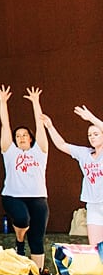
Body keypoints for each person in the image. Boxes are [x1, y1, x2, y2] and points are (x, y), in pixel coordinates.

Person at [0, 85, 50, 275]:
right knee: (22, 219)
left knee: (37, 240)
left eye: (24, 135)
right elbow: (4, 124)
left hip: (38, 198)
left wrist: (35, 102)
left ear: (31, 138)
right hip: (12, 196)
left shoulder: (40, 152)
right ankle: (19, 242)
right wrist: (3, 103)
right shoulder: (9, 152)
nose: (20, 138)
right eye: (18, 135)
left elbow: (40, 125)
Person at [41, 105, 103, 245]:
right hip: (93, 205)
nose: (92, 137)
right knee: (97, 248)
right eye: (89, 135)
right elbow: (62, 145)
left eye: (96, 134)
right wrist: (50, 126)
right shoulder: (84, 153)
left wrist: (91, 118)